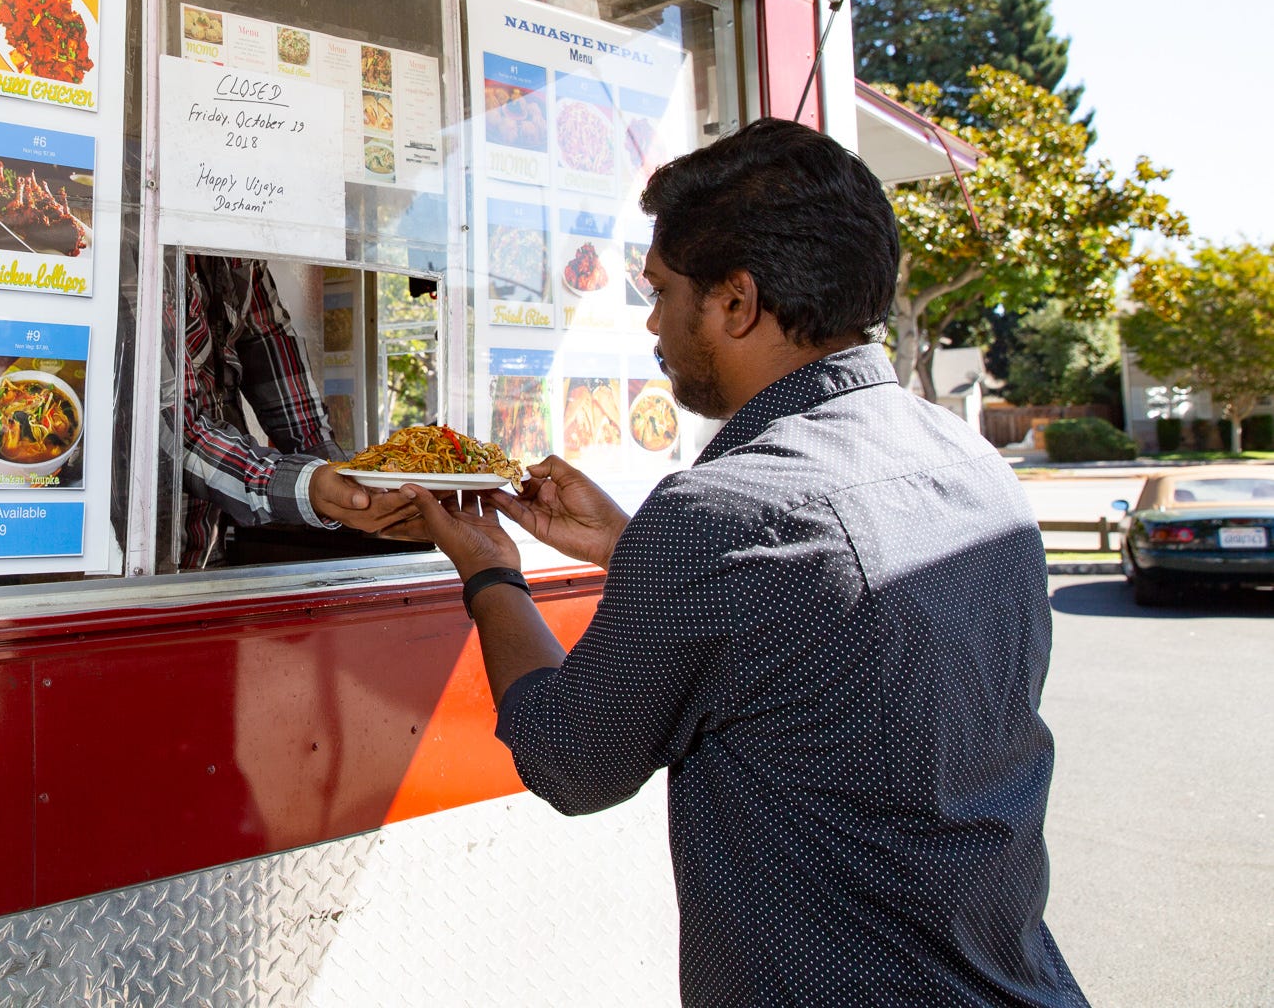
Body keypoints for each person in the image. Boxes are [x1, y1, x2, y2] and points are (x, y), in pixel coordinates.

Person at [404, 119, 1085, 1007]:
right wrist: (630, 547)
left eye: (659, 291)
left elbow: (569, 760)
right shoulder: (966, 462)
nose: (650, 322)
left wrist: (491, 573)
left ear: (735, 302)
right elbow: (825, 623)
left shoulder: (725, 513)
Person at [179, 254, 415, 570]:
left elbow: (270, 345)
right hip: (131, 559)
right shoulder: (142, 246)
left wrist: (345, 481)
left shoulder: (238, 248)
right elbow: (173, 434)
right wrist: (310, 485)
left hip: (208, 541)